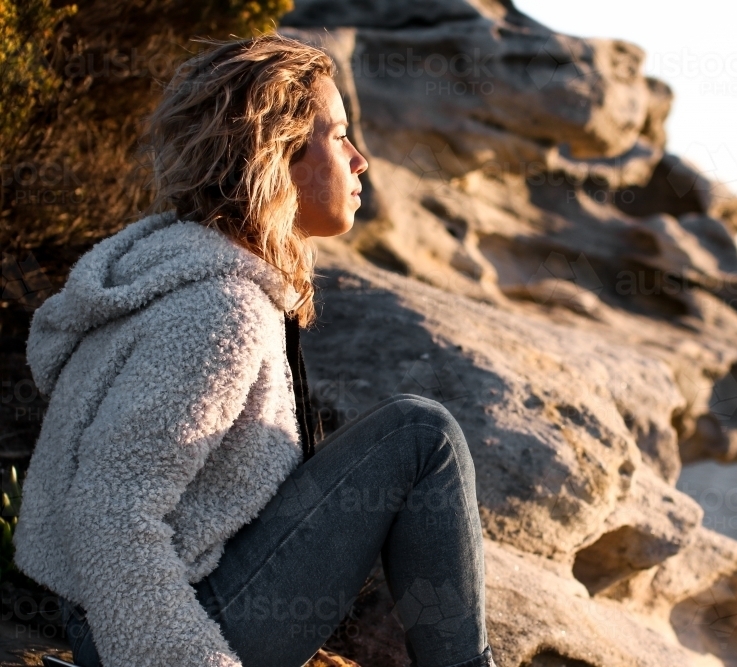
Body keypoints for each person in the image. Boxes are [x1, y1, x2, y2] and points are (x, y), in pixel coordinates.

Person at [13, 31, 495, 667]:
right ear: (279, 153)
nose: (360, 160)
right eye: (339, 134)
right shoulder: (218, 309)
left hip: (138, 623)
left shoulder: (183, 272)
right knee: (419, 434)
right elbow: (110, 513)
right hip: (175, 638)